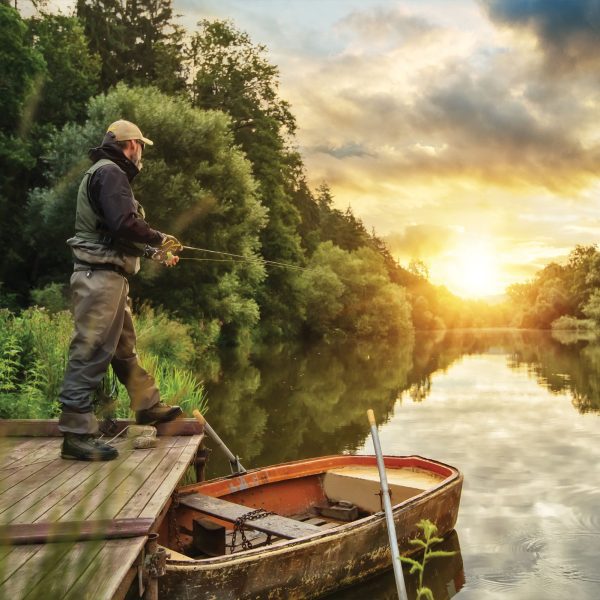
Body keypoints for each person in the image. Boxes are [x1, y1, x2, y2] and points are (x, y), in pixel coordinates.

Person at [59, 119, 184, 461]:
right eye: (141, 146)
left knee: (123, 351)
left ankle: (147, 407)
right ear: (131, 145)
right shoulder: (111, 172)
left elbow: (115, 233)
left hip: (108, 278)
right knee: (90, 350)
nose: (141, 153)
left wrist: (153, 252)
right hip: (99, 279)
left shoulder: (105, 172)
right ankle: (76, 434)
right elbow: (124, 223)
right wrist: (160, 237)